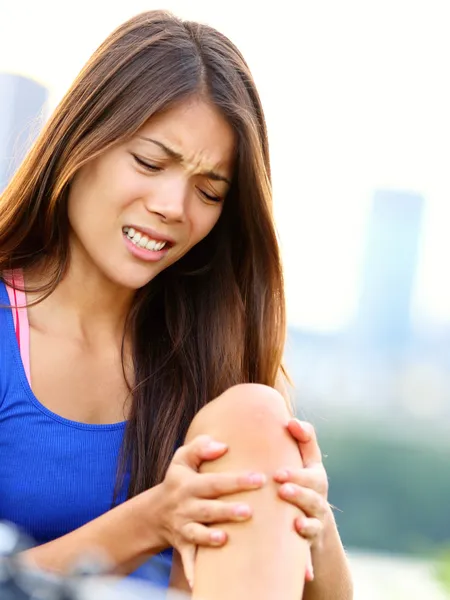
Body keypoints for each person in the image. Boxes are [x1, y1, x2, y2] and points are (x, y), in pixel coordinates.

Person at [0, 10, 352, 600]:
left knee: (256, 413)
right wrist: (148, 521)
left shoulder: (214, 356)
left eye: (209, 189)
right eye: (149, 162)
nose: (173, 206)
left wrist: (310, 521)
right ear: (81, 142)